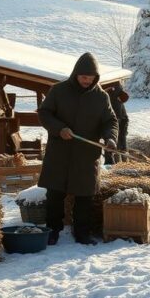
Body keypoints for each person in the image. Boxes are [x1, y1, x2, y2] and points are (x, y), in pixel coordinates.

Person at [38, 52, 118, 245]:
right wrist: (59, 129)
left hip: (86, 155)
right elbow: (44, 113)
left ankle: (82, 233)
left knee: (85, 196)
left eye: (90, 78)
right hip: (60, 153)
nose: (86, 81)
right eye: (83, 77)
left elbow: (111, 121)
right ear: (75, 74)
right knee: (55, 194)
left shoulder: (101, 97)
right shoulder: (58, 90)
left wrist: (110, 138)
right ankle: (52, 231)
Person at [104, 83, 130, 165]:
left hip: (119, 118)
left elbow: (125, 96)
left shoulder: (114, 84)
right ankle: (116, 163)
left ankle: (122, 163)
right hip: (114, 117)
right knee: (114, 140)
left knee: (118, 140)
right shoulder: (113, 84)